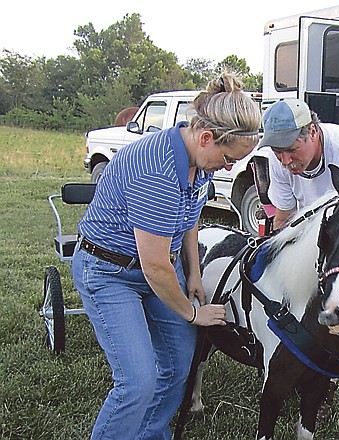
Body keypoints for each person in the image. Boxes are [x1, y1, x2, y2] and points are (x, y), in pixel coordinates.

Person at [71, 73, 262, 440]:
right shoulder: (156, 168)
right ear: (206, 136)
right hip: (109, 271)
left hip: (160, 268)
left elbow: (190, 218)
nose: (227, 168)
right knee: (137, 381)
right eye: (227, 159)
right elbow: (154, 266)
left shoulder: (196, 157)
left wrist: (192, 271)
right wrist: (194, 313)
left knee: (178, 363)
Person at [257, 97, 339, 419]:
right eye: (279, 153)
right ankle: (283, 358)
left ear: (312, 133)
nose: (286, 160)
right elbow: (285, 212)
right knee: (291, 302)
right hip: (307, 235)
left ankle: (326, 379)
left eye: (292, 150)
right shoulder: (280, 158)